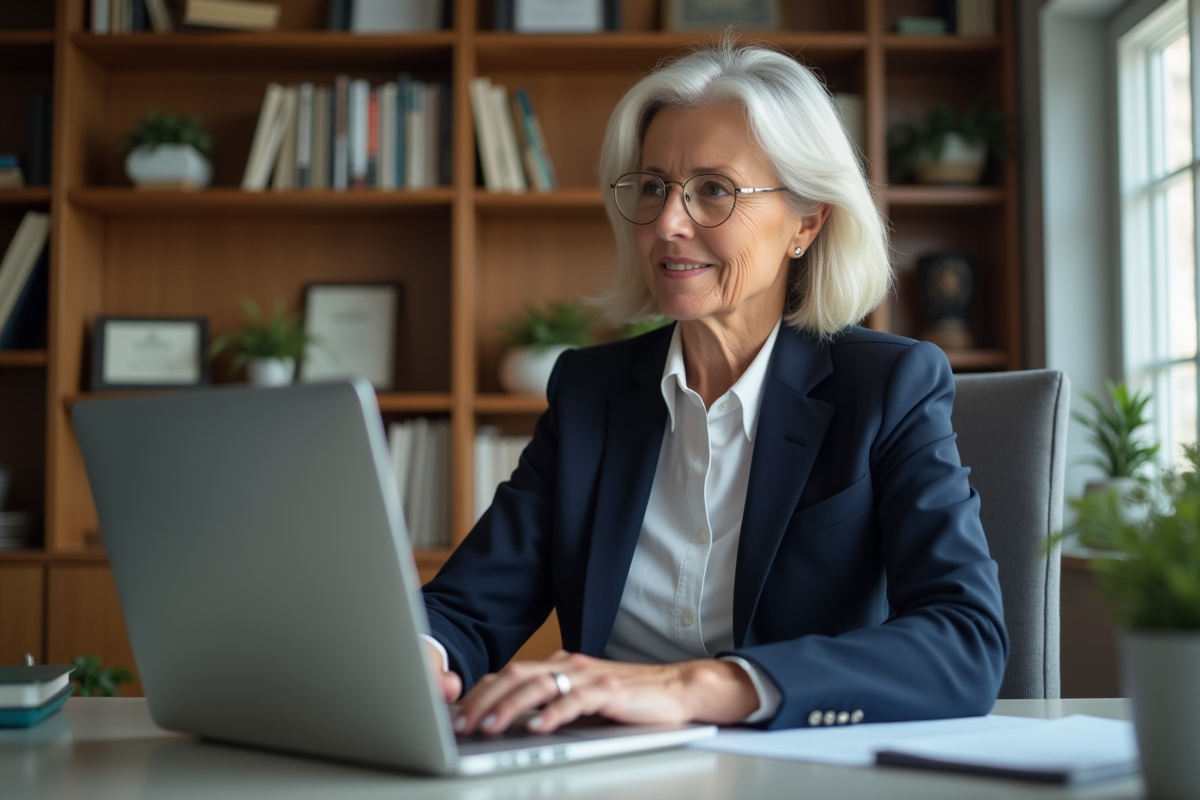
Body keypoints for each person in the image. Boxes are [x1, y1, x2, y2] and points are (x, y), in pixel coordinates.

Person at [420, 40, 1008, 735]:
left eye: (713, 190)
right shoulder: (590, 392)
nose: (669, 223)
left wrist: (700, 686)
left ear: (807, 220)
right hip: (608, 772)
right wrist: (420, 655)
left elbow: (965, 641)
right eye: (653, 187)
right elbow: (465, 608)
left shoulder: (886, 387)